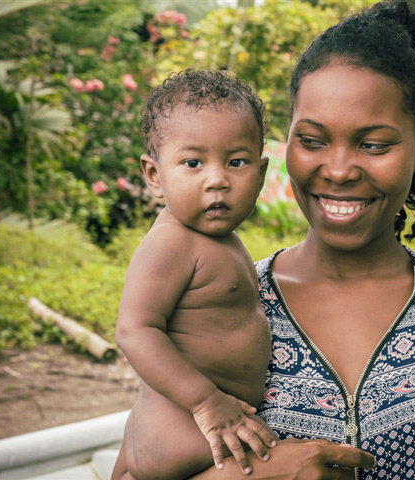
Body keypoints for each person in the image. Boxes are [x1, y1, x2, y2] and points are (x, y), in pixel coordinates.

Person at [189, 0, 415, 478]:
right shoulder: (222, 300)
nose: (340, 170)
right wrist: (271, 472)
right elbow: (134, 468)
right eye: (312, 140)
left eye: (374, 144)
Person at [111, 69, 279, 480]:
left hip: (185, 432)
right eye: (193, 163)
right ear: (155, 176)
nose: (217, 180)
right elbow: (135, 330)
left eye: (236, 162)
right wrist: (207, 402)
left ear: (260, 174)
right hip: (189, 429)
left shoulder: (220, 240)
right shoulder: (171, 242)